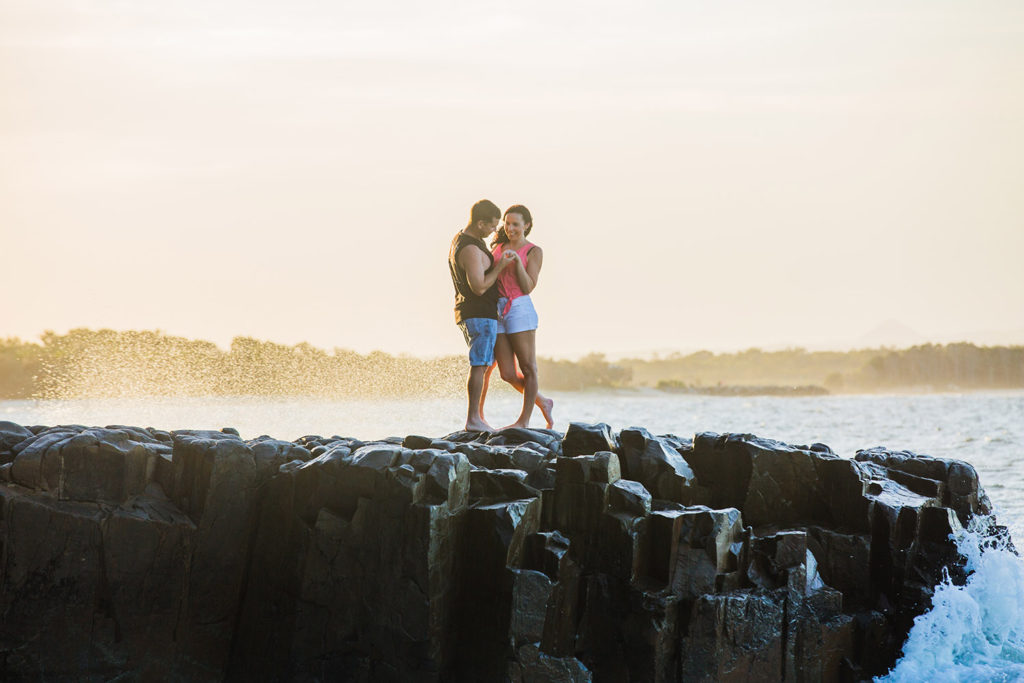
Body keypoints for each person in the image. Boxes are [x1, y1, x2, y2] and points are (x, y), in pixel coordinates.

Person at [481, 205, 555, 429]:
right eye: (507, 223)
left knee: (528, 367)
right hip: (497, 310)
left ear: (526, 225)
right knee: (507, 373)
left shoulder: (534, 251)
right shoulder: (497, 247)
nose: (510, 228)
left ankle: (524, 421)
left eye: (515, 224)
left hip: (520, 308)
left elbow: (528, 286)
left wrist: (515, 263)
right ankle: (543, 401)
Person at [449, 199, 516, 431]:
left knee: (484, 364)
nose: (493, 231)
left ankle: (477, 417)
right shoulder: (469, 248)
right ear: (480, 223)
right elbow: (478, 287)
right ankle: (473, 420)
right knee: (479, 364)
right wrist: (499, 268)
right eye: (492, 226)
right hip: (478, 313)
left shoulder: (465, 239)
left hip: (477, 313)